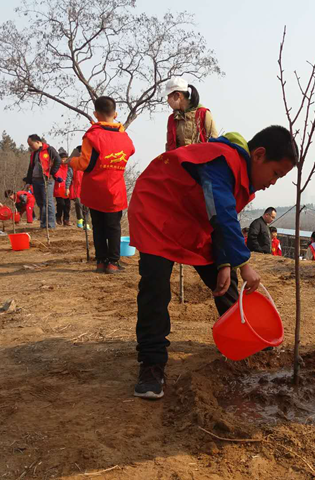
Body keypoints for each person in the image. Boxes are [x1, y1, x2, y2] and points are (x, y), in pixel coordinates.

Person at [128, 126, 298, 399]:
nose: (274, 182)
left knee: (225, 283)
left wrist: (223, 264)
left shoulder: (241, 178)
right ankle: (151, 364)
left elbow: (219, 221)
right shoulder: (220, 159)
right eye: (276, 173)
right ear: (259, 155)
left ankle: (243, 337)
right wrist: (243, 263)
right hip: (157, 211)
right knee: (155, 288)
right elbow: (221, 213)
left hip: (192, 220)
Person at [70, 96, 135, 274]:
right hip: (114, 189)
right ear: (115, 114)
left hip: (94, 189)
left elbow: (83, 164)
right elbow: (130, 151)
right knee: (114, 227)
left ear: (95, 114)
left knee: (98, 226)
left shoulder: (91, 136)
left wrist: (71, 161)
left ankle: (100, 262)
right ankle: (113, 263)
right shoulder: (125, 138)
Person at [164, 78, 218, 151]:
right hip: (181, 161)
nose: (167, 100)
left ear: (178, 95)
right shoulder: (172, 119)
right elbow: (169, 147)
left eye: (168, 96)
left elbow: (214, 142)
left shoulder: (203, 114)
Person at [24, 134, 61, 229]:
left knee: (47, 202)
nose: (30, 147)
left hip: (46, 180)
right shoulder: (33, 154)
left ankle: (51, 225)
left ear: (38, 142)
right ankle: (44, 224)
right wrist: (28, 181)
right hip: (35, 180)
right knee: (40, 203)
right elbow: (30, 168)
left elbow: (58, 160)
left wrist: (52, 172)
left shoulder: (49, 149)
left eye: (31, 144)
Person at [67, 146, 90, 230]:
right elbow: (69, 176)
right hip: (76, 187)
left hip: (87, 186)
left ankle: (86, 223)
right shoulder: (73, 162)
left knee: (87, 206)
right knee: (78, 203)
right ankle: (80, 218)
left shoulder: (89, 162)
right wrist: (67, 187)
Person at [54, 148, 73, 226]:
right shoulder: (57, 167)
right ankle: (58, 217)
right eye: (62, 159)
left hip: (67, 188)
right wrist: (58, 178)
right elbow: (55, 174)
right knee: (61, 204)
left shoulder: (69, 167)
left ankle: (66, 219)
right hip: (59, 189)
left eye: (65, 159)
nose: (64, 161)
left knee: (67, 205)